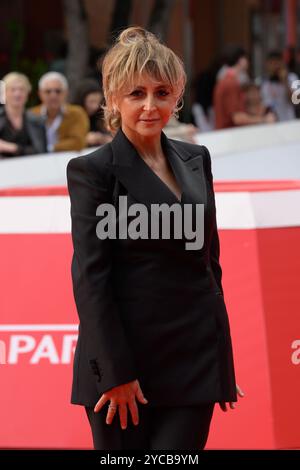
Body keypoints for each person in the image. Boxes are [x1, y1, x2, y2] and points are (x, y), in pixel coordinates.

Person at [66, 26, 243, 451]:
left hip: (194, 360)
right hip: (126, 370)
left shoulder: (196, 158)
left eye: (162, 93)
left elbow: (209, 266)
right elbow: (91, 280)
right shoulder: (94, 171)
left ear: (176, 96)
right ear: (113, 98)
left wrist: (220, 364)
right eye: (136, 94)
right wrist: (115, 373)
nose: (150, 106)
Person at [213, 45, 274, 129]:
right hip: (229, 135)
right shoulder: (231, 83)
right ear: (241, 60)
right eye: (246, 58)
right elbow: (237, 118)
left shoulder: (228, 80)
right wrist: (263, 119)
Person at [30, 72, 89, 152]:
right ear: (40, 94)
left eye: (58, 91)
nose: (53, 95)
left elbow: (78, 142)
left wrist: (49, 148)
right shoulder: (32, 114)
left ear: (66, 93)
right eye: (48, 91)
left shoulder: (77, 113)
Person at [0, 72, 46, 158]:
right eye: (12, 89)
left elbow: (41, 151)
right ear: (4, 93)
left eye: (22, 89)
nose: (17, 94)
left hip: (30, 168)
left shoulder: (37, 120)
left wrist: (12, 148)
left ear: (28, 94)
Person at [73, 78, 112, 147]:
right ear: (82, 100)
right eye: (91, 102)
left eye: (98, 102)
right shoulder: (72, 115)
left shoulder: (100, 114)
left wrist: (102, 138)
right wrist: (84, 139)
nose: (95, 106)